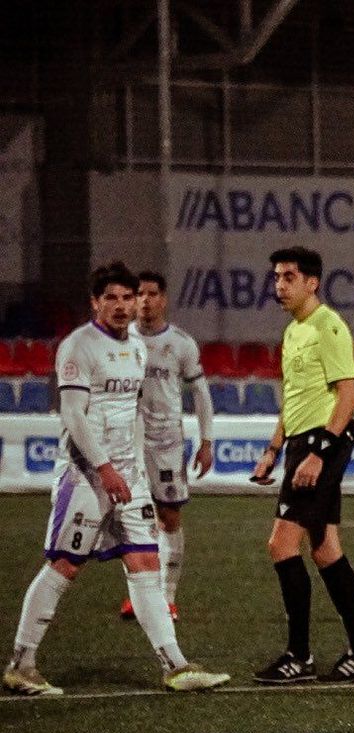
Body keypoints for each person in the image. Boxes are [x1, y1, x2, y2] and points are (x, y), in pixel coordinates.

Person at [3, 262, 230, 696]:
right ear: (95, 302)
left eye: (128, 297)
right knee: (65, 564)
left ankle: (176, 665)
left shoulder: (138, 349)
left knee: (146, 563)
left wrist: (134, 468)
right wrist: (105, 468)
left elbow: (133, 413)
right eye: (112, 298)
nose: (123, 305)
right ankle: (21, 664)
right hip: (86, 475)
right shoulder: (78, 347)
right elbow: (73, 415)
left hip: (129, 475)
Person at [250, 246, 354, 685]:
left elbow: (348, 397)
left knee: (281, 545)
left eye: (289, 277)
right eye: (276, 277)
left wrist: (318, 454)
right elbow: (294, 399)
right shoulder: (293, 331)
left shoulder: (329, 327)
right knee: (325, 550)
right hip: (300, 444)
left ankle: (298, 656)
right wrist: (273, 449)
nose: (280, 285)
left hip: (321, 444)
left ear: (312, 283)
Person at [117, 270, 214, 622]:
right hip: (128, 441)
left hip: (167, 442)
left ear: (164, 299)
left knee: (168, 517)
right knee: (131, 519)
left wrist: (206, 440)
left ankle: (167, 597)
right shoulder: (120, 339)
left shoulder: (181, 343)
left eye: (152, 294)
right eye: (139, 294)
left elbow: (200, 393)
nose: (145, 301)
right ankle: (139, 597)